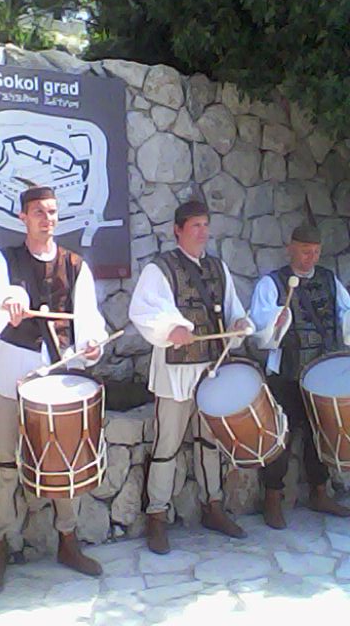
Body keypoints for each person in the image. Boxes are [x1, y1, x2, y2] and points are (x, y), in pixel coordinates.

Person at [0, 184, 108, 595]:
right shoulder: (3, 262)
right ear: (23, 217)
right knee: (6, 468)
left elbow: (88, 318)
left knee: (65, 464)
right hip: (13, 379)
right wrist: (6, 300)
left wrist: (91, 345)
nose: (47, 219)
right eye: (38, 212)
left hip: (61, 379)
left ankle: (68, 541)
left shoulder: (76, 265)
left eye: (53, 212)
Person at [129, 199, 253, 554]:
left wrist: (240, 324)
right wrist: (171, 329)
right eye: (195, 226)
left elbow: (232, 310)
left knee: (210, 440)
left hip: (211, 369)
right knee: (167, 444)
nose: (202, 232)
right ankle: (156, 515)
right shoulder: (160, 269)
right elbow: (143, 311)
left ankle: (213, 506)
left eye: (205, 225)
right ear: (178, 230)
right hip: (175, 372)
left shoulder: (217, 267)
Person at [250, 223, 350, 529]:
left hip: (322, 372)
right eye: (306, 251)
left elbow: (345, 313)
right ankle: (272, 499)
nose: (311, 257)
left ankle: (320, 492)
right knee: (282, 436)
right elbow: (260, 327)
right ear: (290, 248)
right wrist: (275, 322)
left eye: (316, 252)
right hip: (288, 373)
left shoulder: (329, 280)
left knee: (321, 431)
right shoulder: (271, 283)